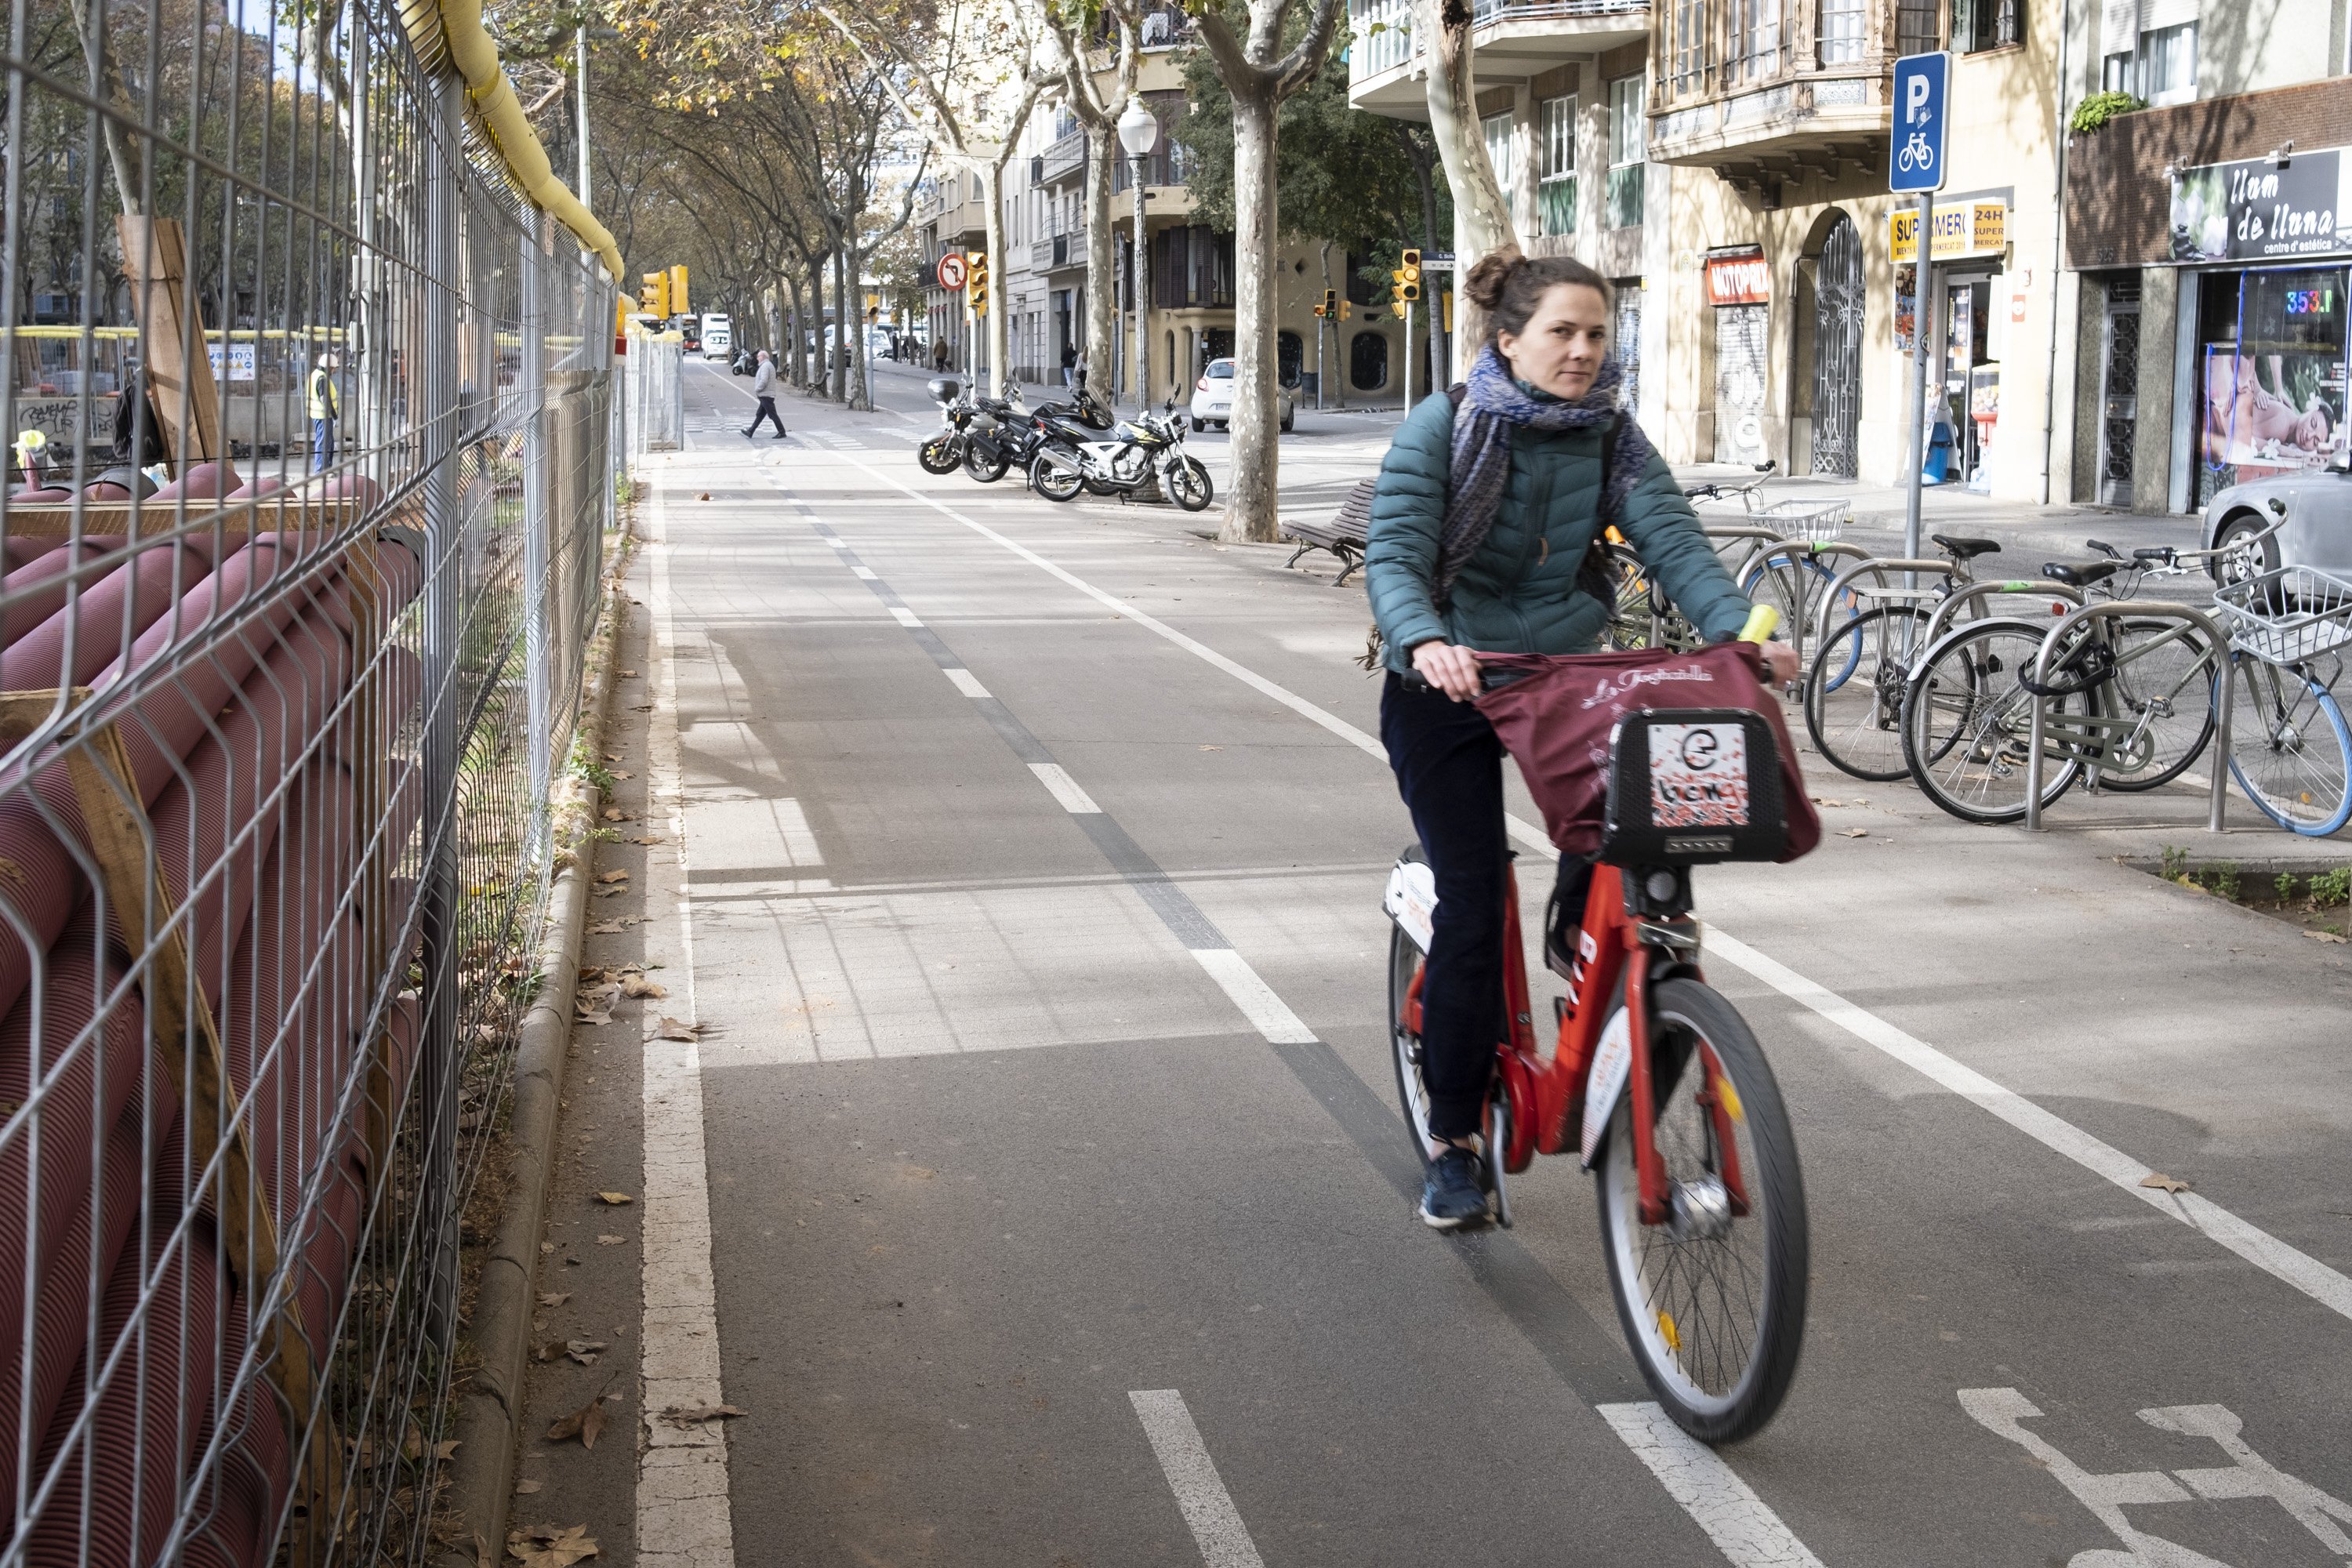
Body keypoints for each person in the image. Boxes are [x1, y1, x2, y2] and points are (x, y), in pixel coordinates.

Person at [1363, 252, 1798, 1229]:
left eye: (1597, 334)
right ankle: (1455, 1139)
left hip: (1562, 680)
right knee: (1476, 902)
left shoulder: (1611, 437)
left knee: (1650, 868)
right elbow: (1393, 553)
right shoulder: (1445, 426)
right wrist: (1425, 637)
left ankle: (1620, 992)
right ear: (1508, 340)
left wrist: (1744, 636)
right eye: (1561, 331)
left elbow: (1676, 543)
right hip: (1450, 681)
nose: (1582, 350)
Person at [307, 350, 341, 472]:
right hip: (323, 416)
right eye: (333, 368)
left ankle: (326, 469)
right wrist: (334, 416)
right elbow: (325, 400)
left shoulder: (316, 375)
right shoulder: (322, 378)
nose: (334, 371)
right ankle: (320, 471)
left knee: (328, 443)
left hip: (321, 416)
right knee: (323, 443)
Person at [743, 350, 787, 438]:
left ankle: (782, 432)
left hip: (766, 395)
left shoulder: (765, 366)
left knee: (772, 414)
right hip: (765, 394)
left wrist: (757, 389)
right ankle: (750, 431)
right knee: (760, 414)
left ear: (763, 357)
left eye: (759, 356)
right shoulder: (767, 365)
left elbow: (764, 380)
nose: (757, 358)